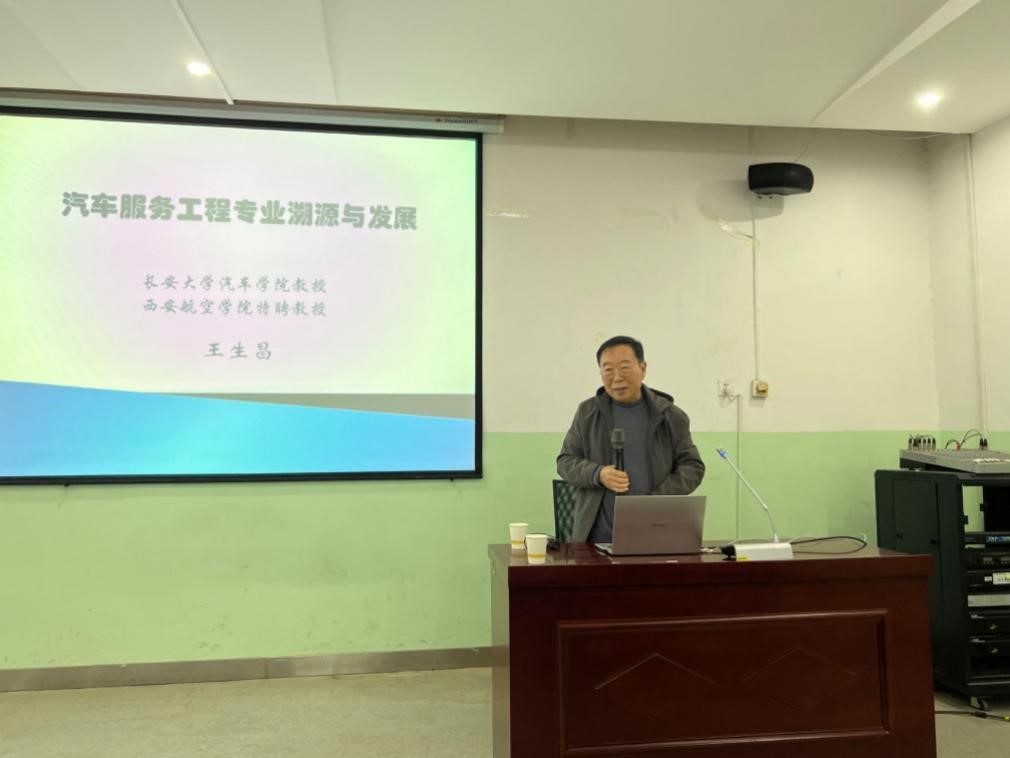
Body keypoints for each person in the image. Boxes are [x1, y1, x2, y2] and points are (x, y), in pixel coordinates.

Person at [556, 335, 705, 543]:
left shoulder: (670, 415)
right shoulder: (588, 412)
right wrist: (598, 473)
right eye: (608, 370)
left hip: (656, 529)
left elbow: (692, 467)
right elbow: (565, 462)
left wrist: (657, 499)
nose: (617, 378)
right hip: (597, 537)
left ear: (643, 368)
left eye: (624, 368)